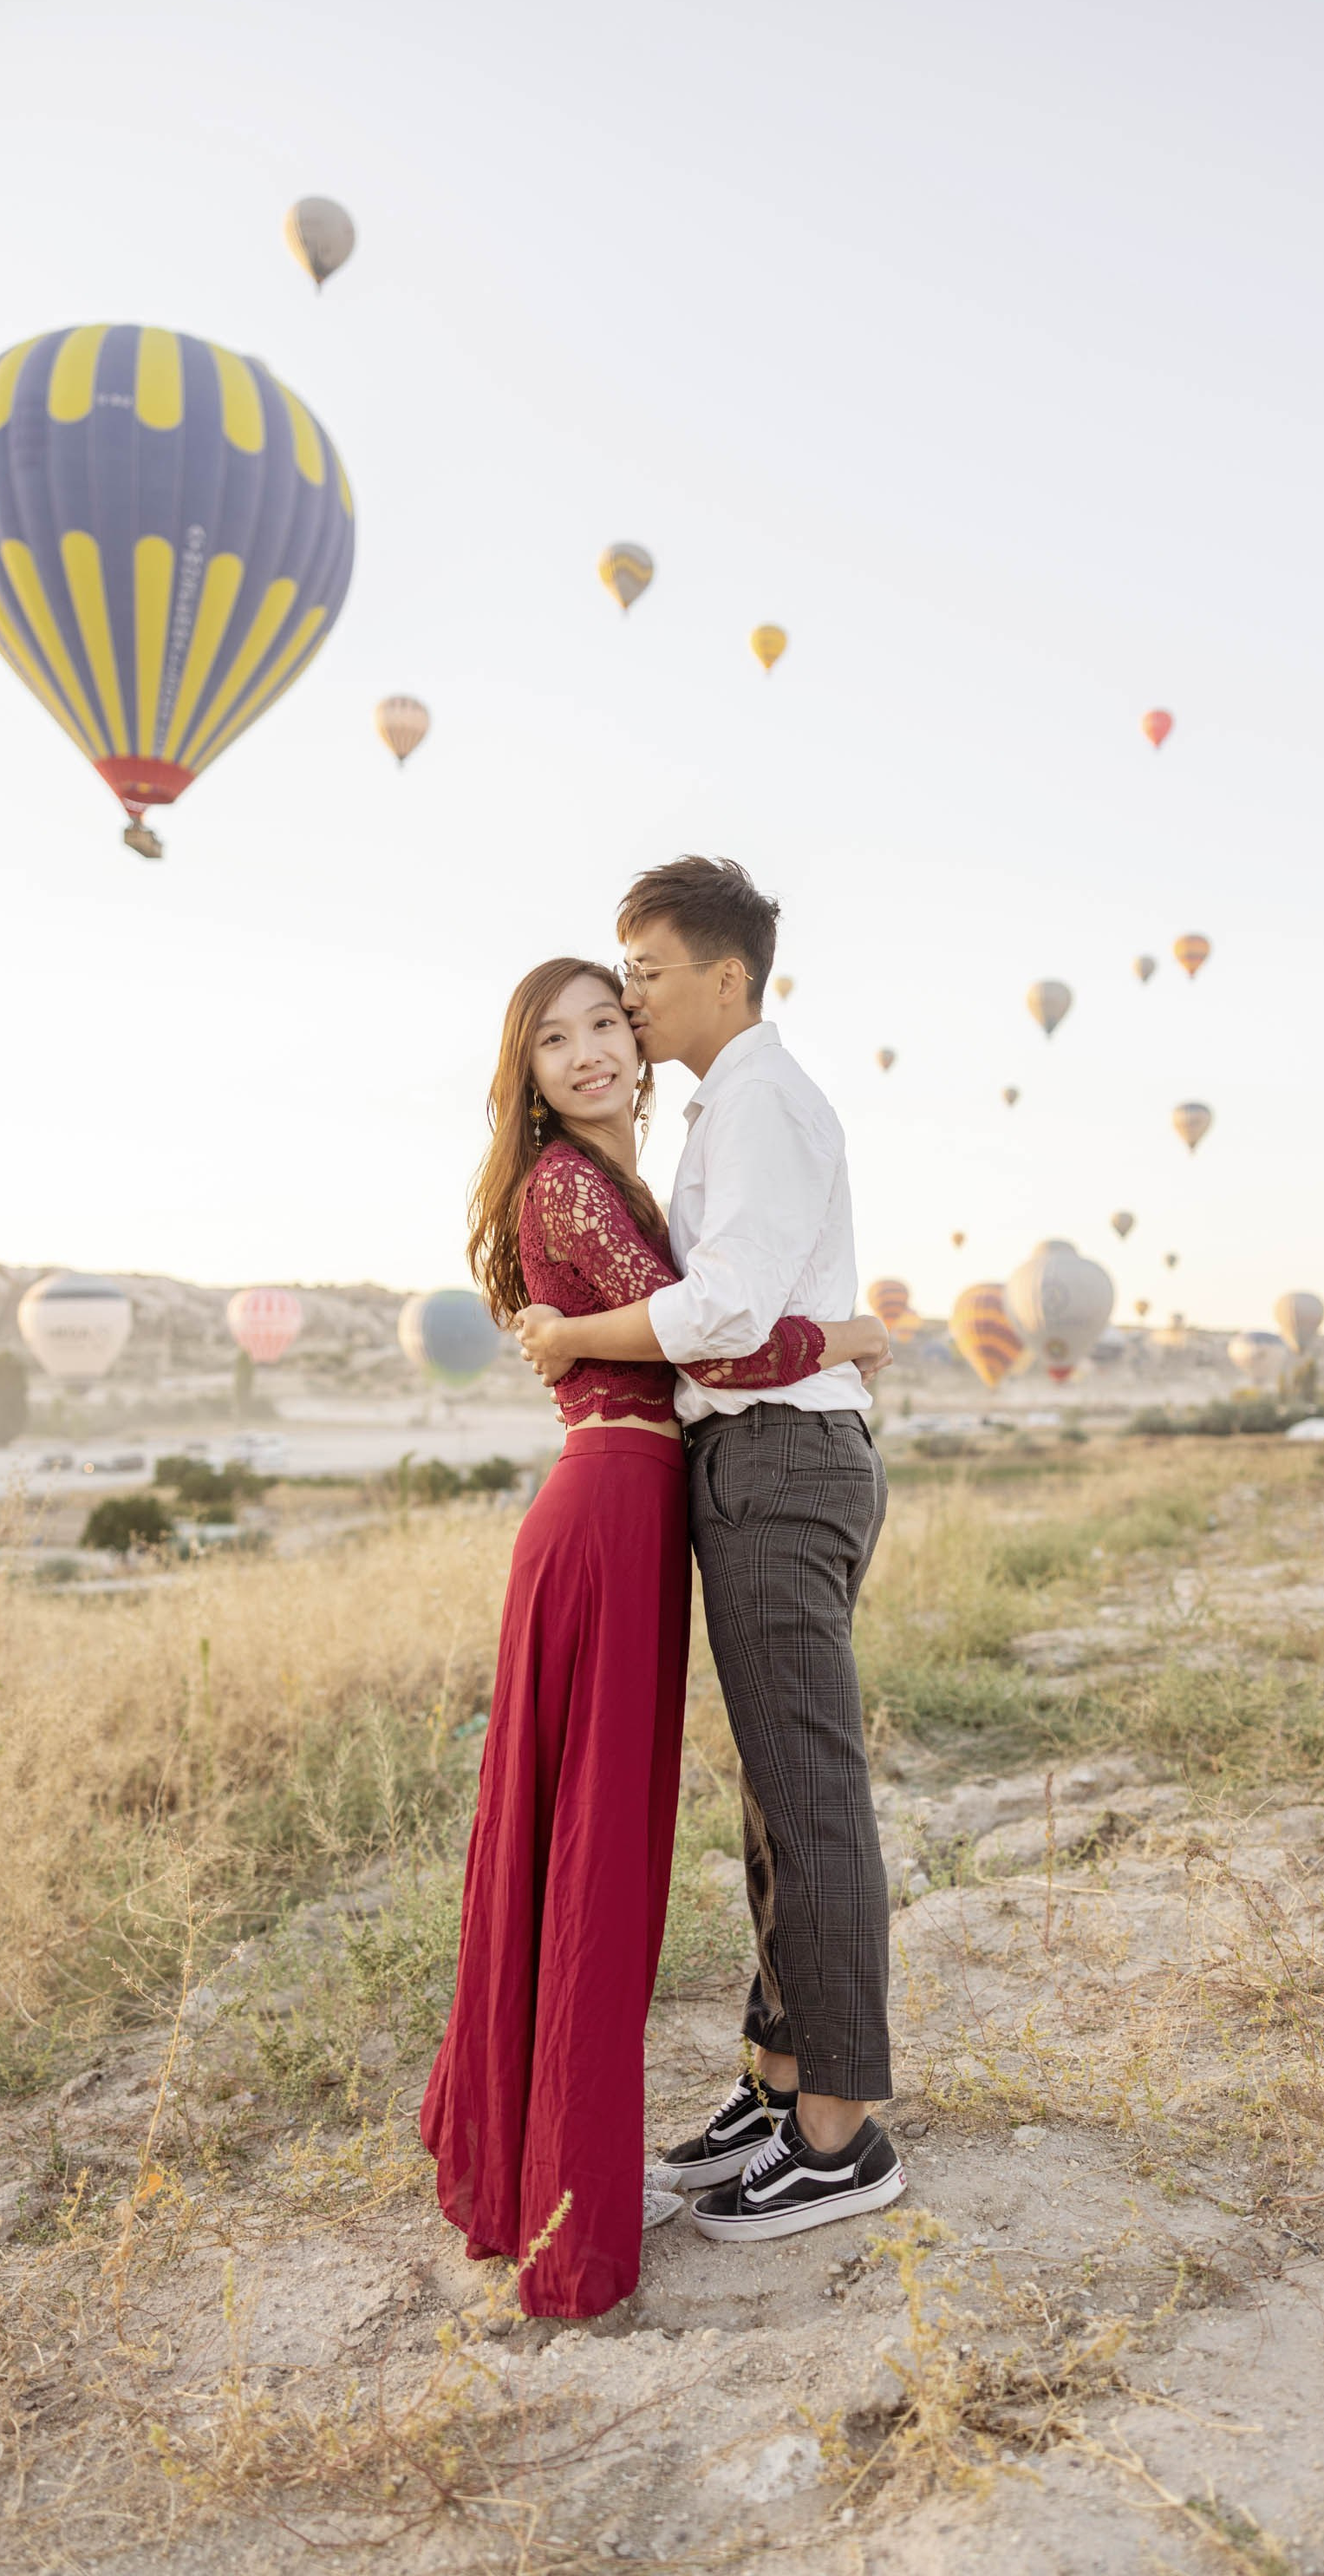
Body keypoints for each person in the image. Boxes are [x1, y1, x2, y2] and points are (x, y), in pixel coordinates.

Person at [420, 956, 888, 2320]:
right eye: (552, 1040)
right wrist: (858, 1329)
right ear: (527, 1072)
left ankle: (570, 2153)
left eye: (606, 1023)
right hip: (608, 1515)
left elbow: (693, 1324)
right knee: (590, 1851)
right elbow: (721, 1351)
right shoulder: (569, 1183)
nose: (587, 1054)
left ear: (641, 1034)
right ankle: (560, 2179)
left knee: (601, 1844)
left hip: (639, 1512)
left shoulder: (643, 1178)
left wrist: (580, 1330)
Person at [516, 859, 907, 2246]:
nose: (626, 998)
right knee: (770, 1796)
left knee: (809, 1795)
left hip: (779, 1457)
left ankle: (841, 2135)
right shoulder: (720, 1113)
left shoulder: (758, 1105)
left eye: (645, 973)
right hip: (762, 1456)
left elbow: (725, 1314)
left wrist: (568, 1338)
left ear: (725, 978)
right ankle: (783, 2076)